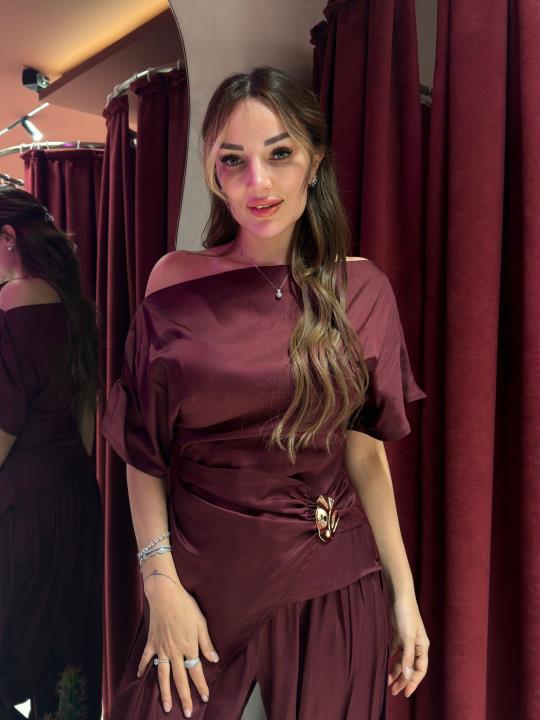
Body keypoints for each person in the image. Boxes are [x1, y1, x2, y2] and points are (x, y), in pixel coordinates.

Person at [101, 65, 430, 720]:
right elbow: (143, 451)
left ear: (314, 161)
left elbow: (364, 454)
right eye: (234, 160)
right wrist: (159, 582)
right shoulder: (175, 283)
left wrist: (404, 592)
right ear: (212, 173)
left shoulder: (363, 291)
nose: (258, 182)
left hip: (335, 588)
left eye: (279, 154)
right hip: (203, 590)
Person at [0, 187, 103, 720]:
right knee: (62, 668)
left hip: (21, 506)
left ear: (8, 237)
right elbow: (87, 419)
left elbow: (4, 423)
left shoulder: (13, 300)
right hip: (75, 497)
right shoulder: (76, 304)